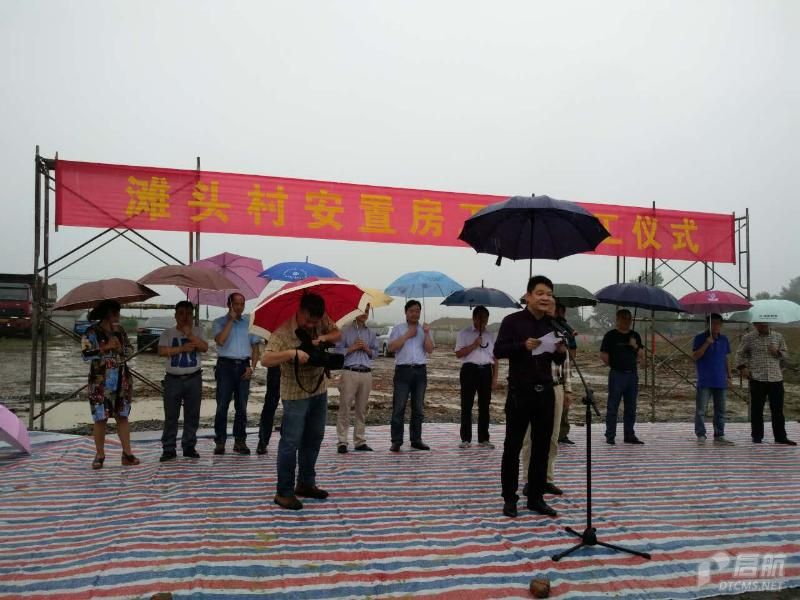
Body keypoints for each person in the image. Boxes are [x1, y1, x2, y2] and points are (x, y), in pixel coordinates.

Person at [494, 275, 566, 518]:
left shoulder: (552, 324)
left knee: (542, 447)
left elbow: (557, 360)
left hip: (545, 392)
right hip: (520, 393)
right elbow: (499, 350)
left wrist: (560, 351)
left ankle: (536, 498)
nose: (545, 298)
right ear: (528, 296)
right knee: (512, 446)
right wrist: (522, 346)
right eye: (540, 293)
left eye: (549, 294)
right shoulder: (512, 321)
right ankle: (510, 498)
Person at [261, 293, 342, 510]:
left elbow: (338, 334)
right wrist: (291, 353)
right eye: (308, 321)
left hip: (319, 390)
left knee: (314, 438)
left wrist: (323, 338)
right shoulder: (283, 331)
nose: (311, 325)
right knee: (291, 442)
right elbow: (265, 359)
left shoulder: (321, 320)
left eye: (315, 322)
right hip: (294, 394)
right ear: (300, 311)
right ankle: (284, 492)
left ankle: (306, 483)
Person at [520, 302, 572, 498]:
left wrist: (568, 390)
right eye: (545, 303)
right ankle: (528, 479)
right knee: (530, 436)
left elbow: (566, 362)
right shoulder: (529, 329)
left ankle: (547, 478)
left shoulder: (560, 331)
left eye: (553, 305)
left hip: (556, 387)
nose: (549, 309)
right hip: (535, 387)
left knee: (553, 436)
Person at [80, 299, 139, 470]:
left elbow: (130, 350)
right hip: (100, 382)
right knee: (100, 418)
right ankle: (99, 455)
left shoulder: (120, 330)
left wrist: (121, 349)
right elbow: (85, 354)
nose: (118, 316)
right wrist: (105, 348)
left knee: (122, 416)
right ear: (108, 313)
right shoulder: (91, 331)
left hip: (122, 381)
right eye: (116, 312)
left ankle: (127, 454)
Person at [158, 300, 208, 461]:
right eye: (181, 313)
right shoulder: (168, 333)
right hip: (173, 379)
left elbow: (204, 348)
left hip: (194, 378)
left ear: (192, 315)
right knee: (171, 415)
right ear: (175, 315)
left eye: (188, 314)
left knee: (192, 415)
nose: (185, 317)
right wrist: (181, 348)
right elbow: (161, 351)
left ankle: (189, 446)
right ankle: (168, 448)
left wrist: (190, 335)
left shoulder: (199, 331)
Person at [212, 292, 261, 456]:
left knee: (241, 407)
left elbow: (255, 348)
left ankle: (240, 441)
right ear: (229, 305)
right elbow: (220, 341)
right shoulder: (219, 322)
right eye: (236, 304)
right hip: (225, 366)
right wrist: (231, 320)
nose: (239, 307)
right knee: (222, 406)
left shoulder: (249, 323)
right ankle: (220, 441)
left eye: (242, 304)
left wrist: (252, 367)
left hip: (244, 367)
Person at [735, 322, 796, 445]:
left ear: (768, 323)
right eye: (759, 324)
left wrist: (777, 352)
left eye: (764, 324)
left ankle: (780, 436)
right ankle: (757, 436)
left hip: (776, 378)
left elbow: (786, 355)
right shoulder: (749, 338)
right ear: (755, 324)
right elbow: (739, 354)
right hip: (757, 378)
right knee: (757, 409)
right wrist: (743, 368)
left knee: (777, 410)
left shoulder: (778, 336)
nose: (762, 326)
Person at [388, 300, 435, 452]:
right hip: (403, 371)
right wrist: (407, 335)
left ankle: (416, 439)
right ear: (406, 312)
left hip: (420, 371)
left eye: (417, 311)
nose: (415, 313)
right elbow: (391, 348)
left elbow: (430, 350)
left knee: (418, 408)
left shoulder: (424, 329)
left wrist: (426, 333)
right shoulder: (398, 328)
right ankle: (396, 441)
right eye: (412, 311)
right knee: (399, 407)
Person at [335, 307, 380, 453]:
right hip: (350, 372)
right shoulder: (345, 331)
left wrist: (366, 348)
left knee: (361, 409)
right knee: (345, 407)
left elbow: (376, 353)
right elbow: (337, 351)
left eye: (367, 311)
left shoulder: (371, 333)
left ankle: (360, 440)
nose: (364, 314)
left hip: (366, 373)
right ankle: (342, 441)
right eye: (362, 310)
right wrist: (352, 348)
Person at [454, 305, 498, 448]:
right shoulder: (464, 333)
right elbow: (458, 354)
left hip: (485, 371)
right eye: (479, 318)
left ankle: (484, 438)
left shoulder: (490, 335)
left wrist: (495, 377)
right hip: (469, 370)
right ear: (473, 318)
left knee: (484, 406)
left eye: (485, 318)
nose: (482, 321)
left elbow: (495, 358)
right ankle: (465, 439)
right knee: (466, 405)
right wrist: (474, 345)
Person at [600, 309, 644, 445]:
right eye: (623, 318)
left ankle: (629, 435)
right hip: (617, 375)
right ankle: (610, 435)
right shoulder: (610, 335)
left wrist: (635, 346)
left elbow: (641, 355)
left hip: (632, 375)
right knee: (613, 406)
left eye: (629, 318)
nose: (626, 321)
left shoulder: (635, 335)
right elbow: (604, 355)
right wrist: (615, 366)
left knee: (631, 407)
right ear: (617, 319)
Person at [692, 313, 733, 444]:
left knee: (720, 410)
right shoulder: (700, 338)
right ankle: (701, 434)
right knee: (701, 410)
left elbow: (726, 358)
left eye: (718, 323)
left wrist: (729, 376)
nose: (716, 326)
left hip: (720, 380)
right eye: (713, 323)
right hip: (705, 380)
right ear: (707, 324)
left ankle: (719, 435)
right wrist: (706, 343)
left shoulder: (724, 339)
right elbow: (695, 356)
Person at [554, 302, 577, 445]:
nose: (561, 315)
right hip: (549, 375)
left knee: (564, 406)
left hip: (563, 372)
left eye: (563, 312)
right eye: (558, 312)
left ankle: (562, 434)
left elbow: (573, 351)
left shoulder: (566, 330)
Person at [256, 364, 281, 455]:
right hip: (276, 366)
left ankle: (263, 442)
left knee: (293, 406)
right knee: (270, 405)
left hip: (293, 367)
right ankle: (262, 442)